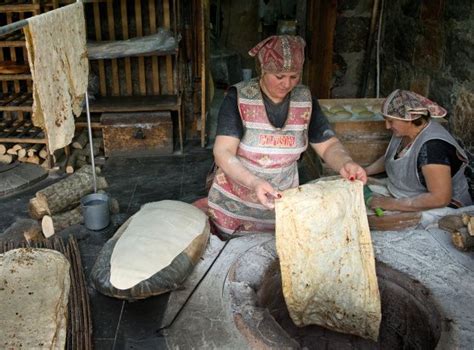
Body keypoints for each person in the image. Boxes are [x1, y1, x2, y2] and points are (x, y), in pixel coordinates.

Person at [207, 35, 367, 235]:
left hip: (281, 202)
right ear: (263, 70)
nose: (287, 84)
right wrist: (254, 182)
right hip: (235, 206)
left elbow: (327, 145)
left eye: (294, 76)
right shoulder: (238, 98)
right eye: (279, 76)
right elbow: (223, 151)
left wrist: (345, 163)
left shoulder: (305, 99)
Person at [365, 89, 472, 212]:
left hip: (441, 209)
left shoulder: (433, 147)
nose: (387, 126)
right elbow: (392, 157)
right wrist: (366, 171)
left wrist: (392, 204)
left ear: (410, 119)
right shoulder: (403, 132)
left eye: (391, 121)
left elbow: (440, 198)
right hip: (405, 195)